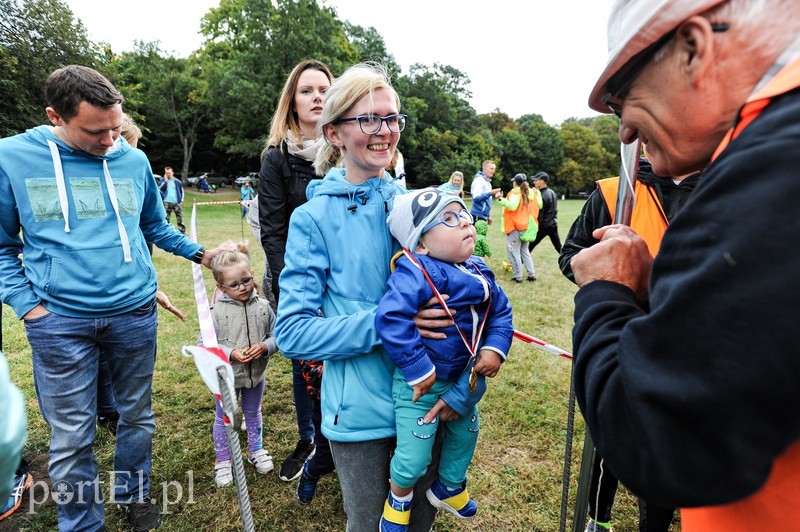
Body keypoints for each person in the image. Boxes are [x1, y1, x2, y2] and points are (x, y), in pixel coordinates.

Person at [570, 1, 800, 529]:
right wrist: (671, 291)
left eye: (620, 96)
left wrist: (606, 294)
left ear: (694, 47)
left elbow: (656, 437)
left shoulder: (773, 163)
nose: (624, 130)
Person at [0, 65, 224, 531]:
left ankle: (135, 495)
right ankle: (83, 523)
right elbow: (3, 245)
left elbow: (154, 226)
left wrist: (203, 254)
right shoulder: (12, 159)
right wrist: (30, 309)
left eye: (116, 129)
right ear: (55, 117)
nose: (110, 142)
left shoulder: (132, 160)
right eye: (95, 132)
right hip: (59, 323)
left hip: (134, 316)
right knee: (72, 439)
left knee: (137, 418)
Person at [275, 62, 478, 531]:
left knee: (420, 524)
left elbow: (460, 296)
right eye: (368, 119)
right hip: (360, 411)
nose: (384, 131)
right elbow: (292, 332)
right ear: (334, 133)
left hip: (429, 398)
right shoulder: (312, 219)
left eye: (391, 118)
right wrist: (391, 324)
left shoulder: (418, 207)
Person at [560, 158, 700, 532]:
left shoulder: (729, 186)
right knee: (609, 443)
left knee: (671, 450)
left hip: (691, 351)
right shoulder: (613, 190)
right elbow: (571, 252)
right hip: (623, 337)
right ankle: (598, 521)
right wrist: (607, 278)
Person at [376, 188, 513, 531]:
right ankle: (398, 500)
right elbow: (391, 319)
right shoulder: (416, 269)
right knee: (414, 455)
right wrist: (418, 369)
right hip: (420, 388)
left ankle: (449, 487)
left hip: (464, 377)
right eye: (448, 220)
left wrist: (494, 348)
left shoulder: (479, 269)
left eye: (464, 216)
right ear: (421, 243)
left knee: (466, 433)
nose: (465, 224)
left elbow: (501, 311)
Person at [258, 59, 333, 482]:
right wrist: (298, 290)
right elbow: (273, 230)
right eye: (307, 90)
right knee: (304, 365)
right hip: (293, 279)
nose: (317, 96)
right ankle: (308, 439)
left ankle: (339, 439)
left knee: (340, 361)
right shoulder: (277, 158)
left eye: (324, 88)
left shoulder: (346, 147)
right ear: (293, 100)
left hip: (342, 280)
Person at [206, 242, 278, 487]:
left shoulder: (264, 307)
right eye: (234, 284)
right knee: (224, 417)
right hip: (226, 377)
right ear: (221, 287)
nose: (242, 288)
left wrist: (266, 346)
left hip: (255, 375)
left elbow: (277, 336)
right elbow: (205, 344)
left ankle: (255, 450)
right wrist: (231, 353)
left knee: (253, 412)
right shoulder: (215, 313)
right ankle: (223, 460)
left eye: (246, 280)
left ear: (252, 275)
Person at [495, 173, 541, 283]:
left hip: (515, 227)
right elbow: (540, 204)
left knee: (513, 251)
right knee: (525, 251)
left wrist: (500, 199)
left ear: (515, 182)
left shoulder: (516, 192)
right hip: (527, 227)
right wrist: (538, 193)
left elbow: (512, 206)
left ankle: (518, 277)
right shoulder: (532, 192)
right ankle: (531, 274)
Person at [528, 172, 562, 255]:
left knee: (529, 247)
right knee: (559, 248)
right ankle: (571, 263)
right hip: (553, 224)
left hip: (544, 226)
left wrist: (537, 226)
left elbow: (541, 213)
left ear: (542, 181)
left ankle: (516, 265)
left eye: (536, 180)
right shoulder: (552, 192)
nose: (534, 182)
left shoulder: (541, 195)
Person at [469, 160, 500, 224]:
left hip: (483, 216)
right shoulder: (479, 180)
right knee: (477, 234)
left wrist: (488, 216)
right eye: (491, 168)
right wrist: (490, 193)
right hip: (477, 216)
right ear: (484, 169)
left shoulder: (487, 182)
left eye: (494, 169)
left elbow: (486, 202)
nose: (493, 171)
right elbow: (476, 198)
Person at [159, 166, 185, 233]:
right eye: (166, 173)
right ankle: (165, 232)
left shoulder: (177, 182)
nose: (168, 174)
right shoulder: (163, 180)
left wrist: (181, 200)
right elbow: (159, 189)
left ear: (172, 173)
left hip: (176, 202)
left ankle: (182, 232)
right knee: (166, 218)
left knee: (180, 218)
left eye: (169, 173)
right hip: (166, 202)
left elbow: (182, 191)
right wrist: (165, 181)